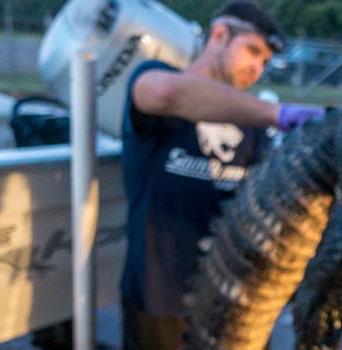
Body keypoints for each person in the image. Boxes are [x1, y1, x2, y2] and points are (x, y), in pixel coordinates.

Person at [120, 2, 323, 349]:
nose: (257, 68)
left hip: (236, 305)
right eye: (252, 51)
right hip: (161, 302)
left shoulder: (253, 122)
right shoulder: (159, 80)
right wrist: (278, 112)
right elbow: (165, 92)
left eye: (265, 62)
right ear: (219, 34)